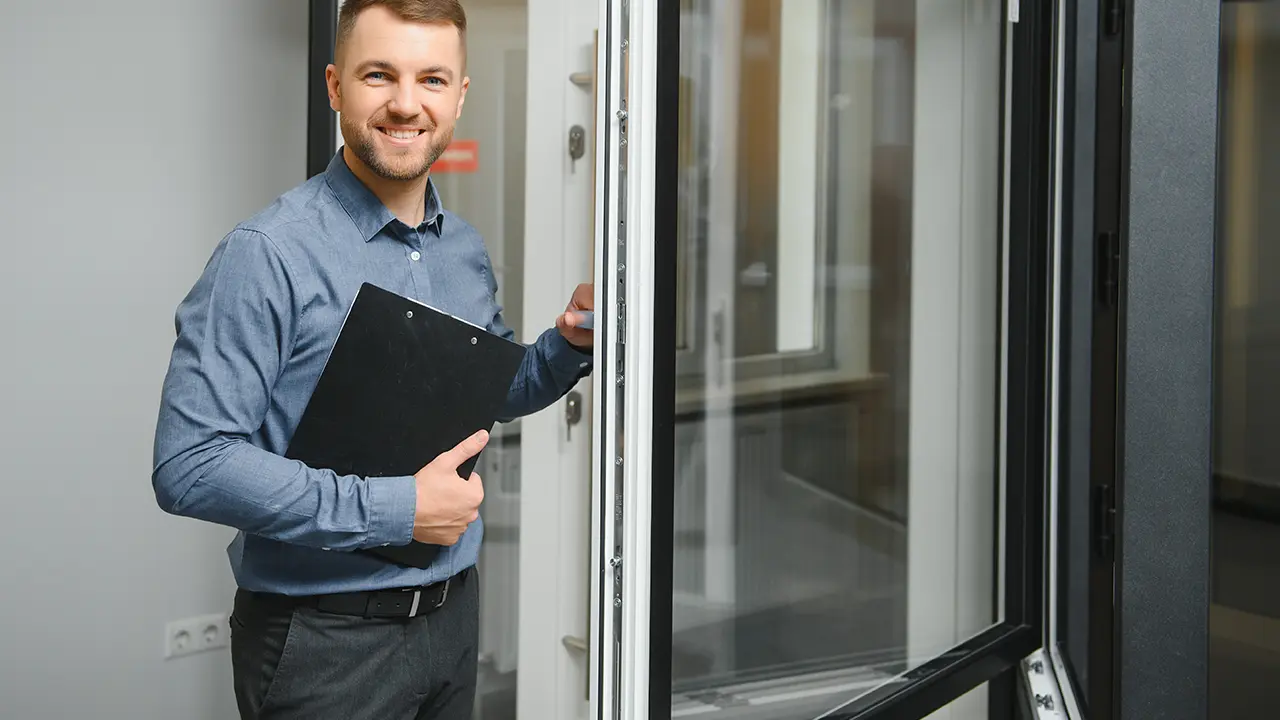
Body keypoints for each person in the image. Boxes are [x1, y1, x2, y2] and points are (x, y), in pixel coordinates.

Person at [150, 1, 593, 717]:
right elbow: (190, 463)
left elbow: (487, 392)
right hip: (326, 646)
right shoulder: (267, 254)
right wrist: (400, 510)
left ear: (460, 96)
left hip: (451, 621)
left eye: (432, 79)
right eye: (379, 75)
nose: (406, 103)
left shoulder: (463, 249)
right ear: (335, 87)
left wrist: (565, 348)